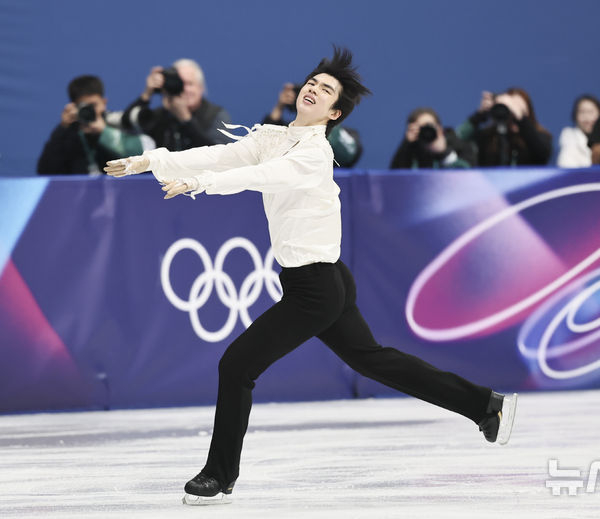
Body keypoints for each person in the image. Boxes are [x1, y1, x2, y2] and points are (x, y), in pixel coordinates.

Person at [105, 47, 518, 505]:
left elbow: (259, 177)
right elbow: (221, 155)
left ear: (334, 112)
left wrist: (200, 185)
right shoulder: (272, 137)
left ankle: (218, 476)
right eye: (312, 82)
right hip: (323, 280)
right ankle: (485, 405)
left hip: (316, 289)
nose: (313, 89)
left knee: (237, 365)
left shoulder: (314, 154)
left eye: (325, 90)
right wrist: (150, 161)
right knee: (375, 361)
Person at [37, 75, 149, 175]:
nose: (90, 111)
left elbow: (145, 156)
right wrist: (62, 128)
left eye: (94, 105)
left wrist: (104, 132)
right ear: (74, 107)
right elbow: (45, 171)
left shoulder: (116, 123)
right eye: (84, 106)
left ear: (104, 103)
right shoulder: (68, 133)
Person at [121, 59, 232, 151]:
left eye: (190, 84)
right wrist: (147, 94)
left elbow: (218, 155)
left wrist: (186, 119)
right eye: (180, 84)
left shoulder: (215, 115)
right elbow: (127, 125)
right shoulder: (161, 115)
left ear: (201, 87)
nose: (184, 89)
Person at [262, 81, 364, 167]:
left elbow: (350, 153)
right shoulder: (295, 130)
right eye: (310, 85)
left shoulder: (331, 132)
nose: (312, 91)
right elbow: (267, 136)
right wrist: (280, 106)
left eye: (325, 90)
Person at [456, 88, 552, 166]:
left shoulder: (541, 137)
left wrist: (521, 120)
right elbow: (457, 141)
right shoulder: (488, 138)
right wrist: (479, 116)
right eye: (510, 110)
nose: (513, 116)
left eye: (519, 109)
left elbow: (542, 154)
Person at [389, 107, 476, 169]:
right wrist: (406, 144)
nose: (426, 131)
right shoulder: (411, 150)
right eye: (421, 128)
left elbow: (468, 176)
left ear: (440, 128)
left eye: (429, 126)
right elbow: (396, 178)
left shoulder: (458, 145)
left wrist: (443, 153)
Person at [557, 95, 600, 168]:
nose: (587, 118)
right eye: (582, 112)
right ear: (575, 116)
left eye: (590, 112)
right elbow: (565, 166)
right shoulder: (569, 137)